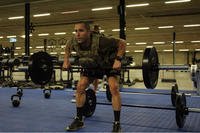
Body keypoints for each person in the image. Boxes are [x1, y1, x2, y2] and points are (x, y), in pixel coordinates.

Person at [62, 21, 126, 132]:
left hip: (108, 64)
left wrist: (118, 60)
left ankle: (117, 124)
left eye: (81, 31)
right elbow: (67, 47)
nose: (77, 34)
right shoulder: (73, 41)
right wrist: (66, 60)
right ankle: (79, 120)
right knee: (80, 87)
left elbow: (122, 43)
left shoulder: (102, 41)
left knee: (114, 87)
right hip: (93, 64)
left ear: (89, 32)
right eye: (76, 31)